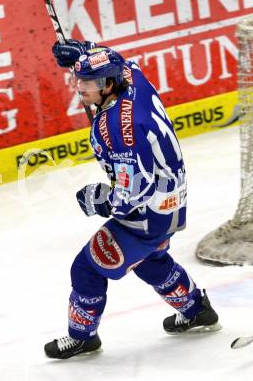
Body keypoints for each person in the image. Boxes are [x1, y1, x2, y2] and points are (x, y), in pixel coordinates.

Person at [44, 40, 221, 360]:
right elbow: (116, 59)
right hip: (171, 202)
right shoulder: (132, 77)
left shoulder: (121, 131)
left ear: (108, 84)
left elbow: (132, 192)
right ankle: (197, 311)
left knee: (86, 269)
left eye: (88, 83)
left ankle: (82, 337)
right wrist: (82, 51)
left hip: (148, 211)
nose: (80, 87)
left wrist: (100, 201)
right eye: (79, 79)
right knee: (151, 263)